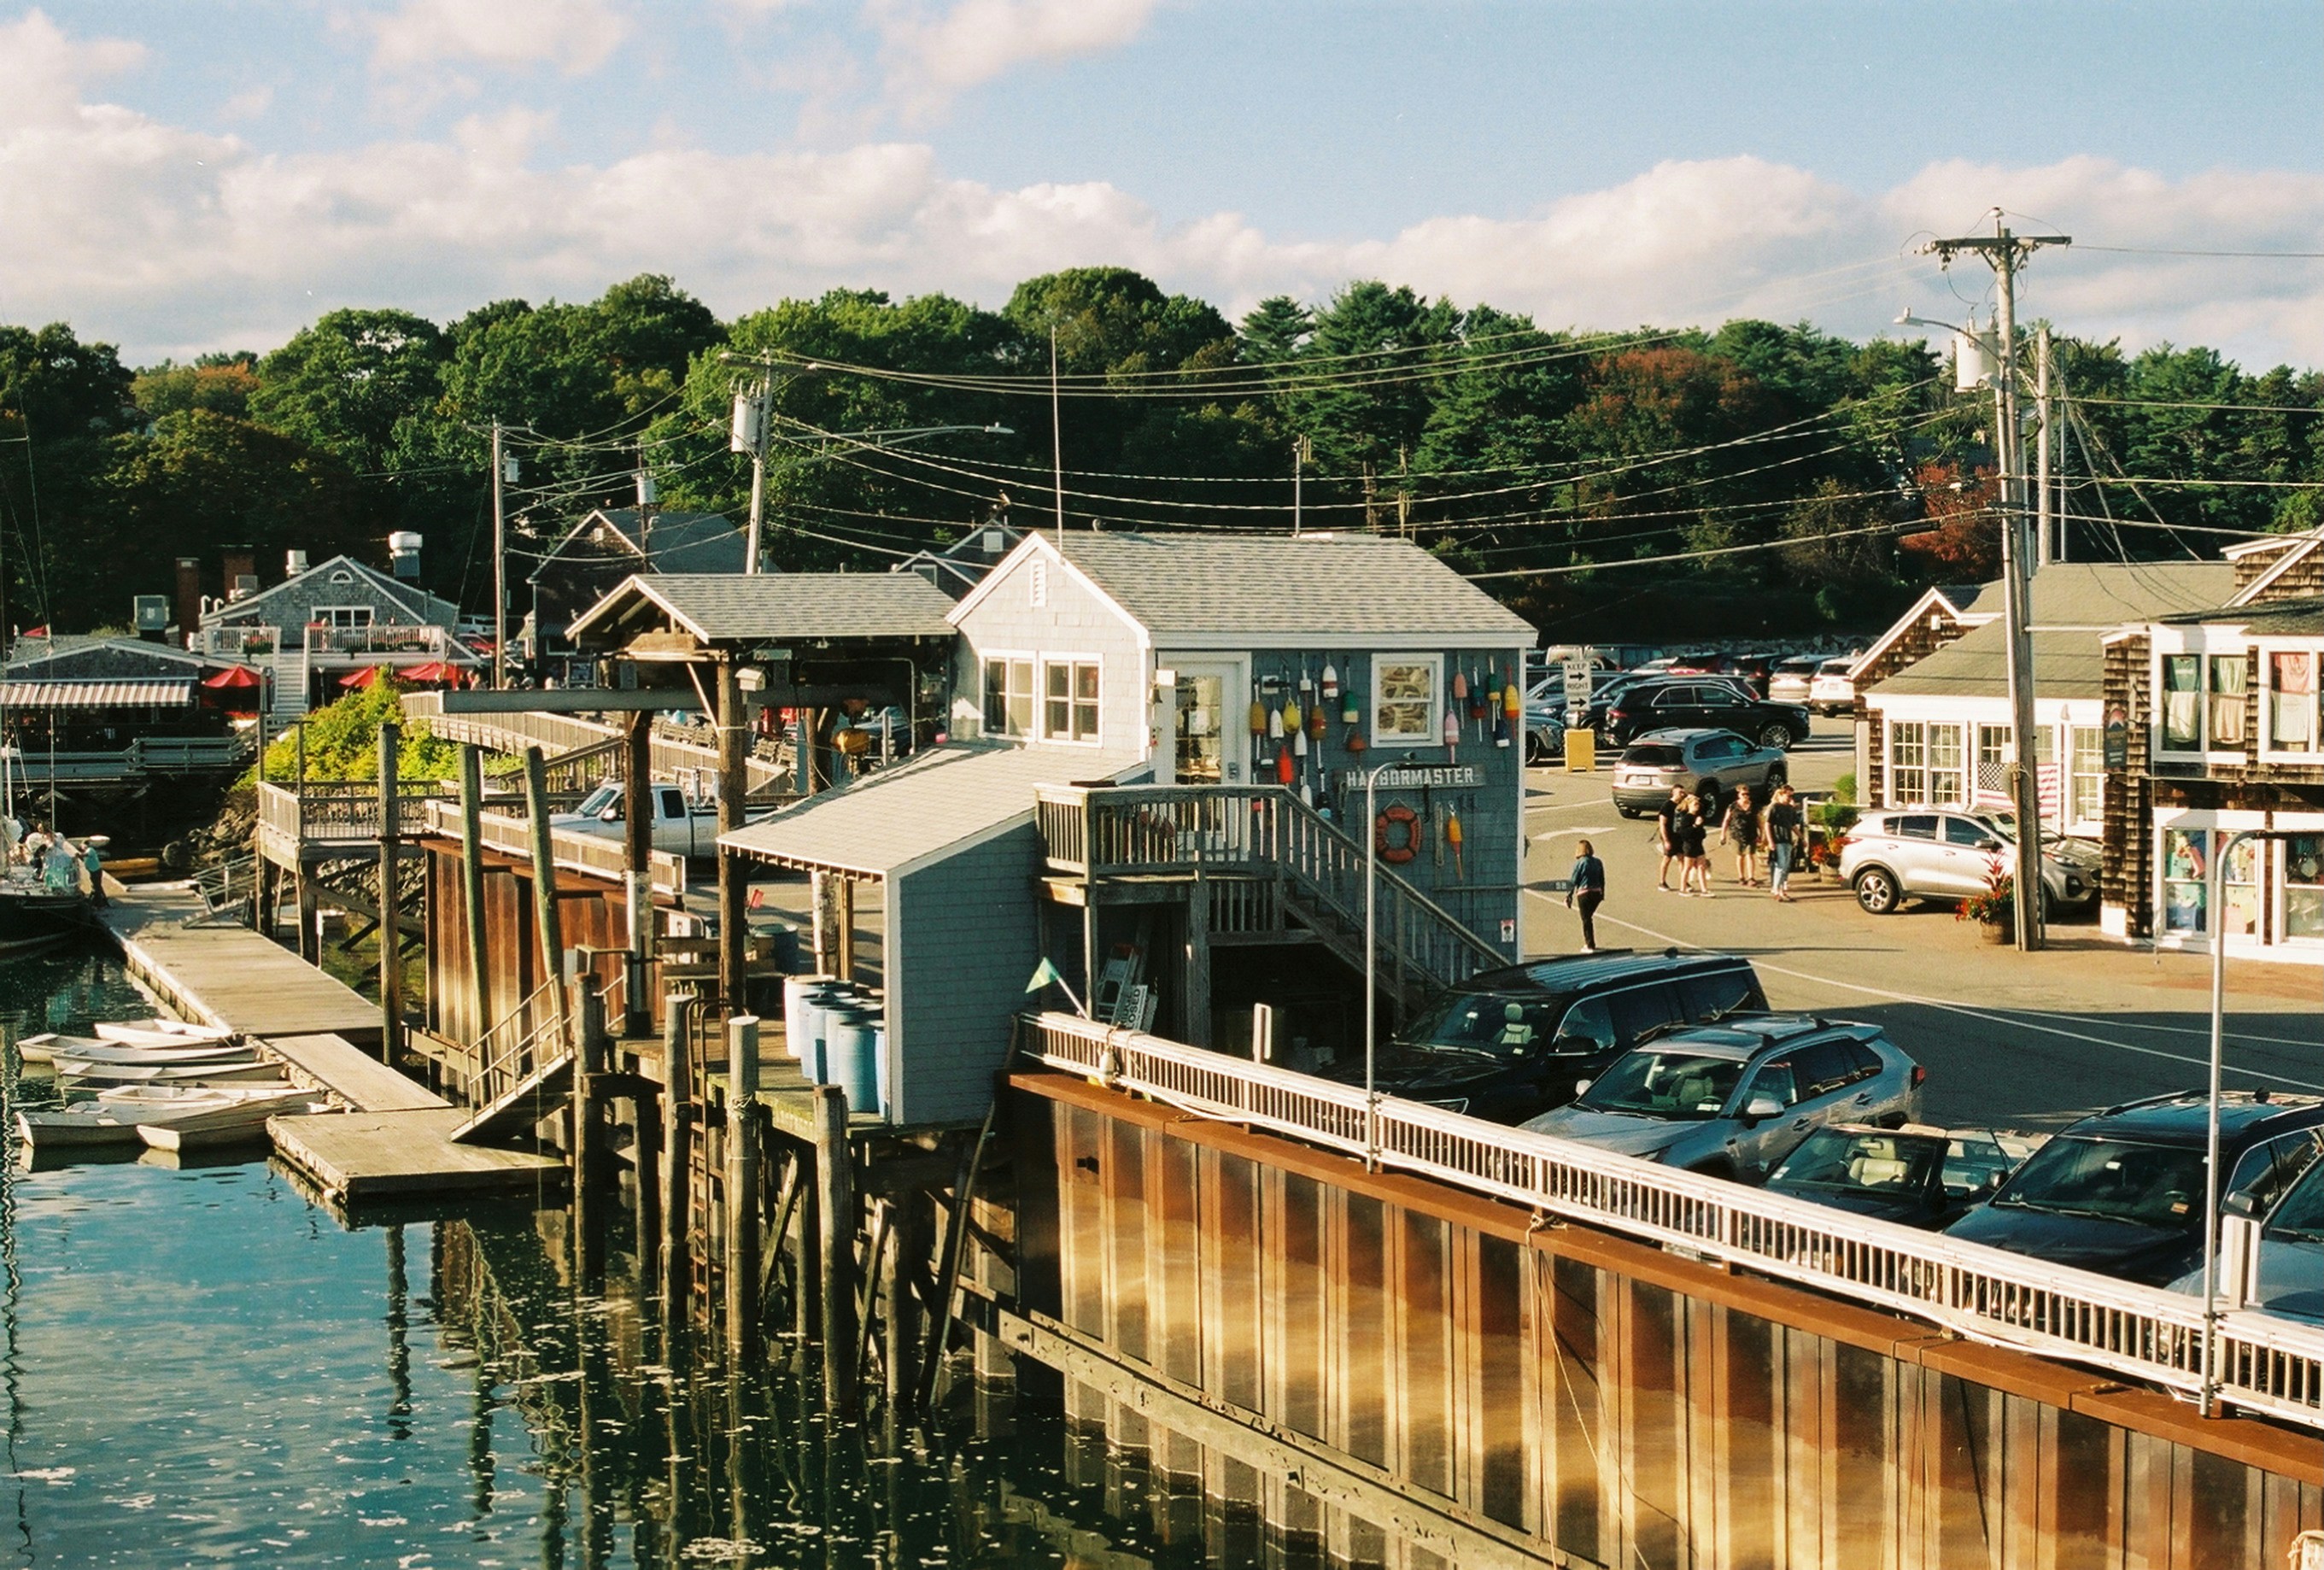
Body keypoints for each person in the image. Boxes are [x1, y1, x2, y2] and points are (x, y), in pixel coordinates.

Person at [1765, 785, 1805, 902]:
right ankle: (1776, 890)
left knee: (1786, 867)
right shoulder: (1774, 807)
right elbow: (1767, 825)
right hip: (1777, 839)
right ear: (1781, 794)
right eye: (1788, 795)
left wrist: (1802, 838)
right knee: (1780, 865)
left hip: (1787, 840)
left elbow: (1793, 826)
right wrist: (1770, 841)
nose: (1790, 798)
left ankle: (1782, 890)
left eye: (1792, 796)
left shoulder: (1790, 809)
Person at [1567, 839, 1607, 949]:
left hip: (1584, 893)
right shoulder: (1598, 862)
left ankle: (1590, 944)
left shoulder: (1580, 863)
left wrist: (1569, 895)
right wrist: (1602, 893)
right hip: (1596, 893)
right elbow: (1602, 879)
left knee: (1586, 920)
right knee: (1588, 917)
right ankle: (1590, 942)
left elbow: (1573, 880)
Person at [1723, 786, 1763, 888]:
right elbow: (1726, 820)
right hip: (1736, 834)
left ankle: (1751, 877)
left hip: (1751, 833)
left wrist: (1762, 834)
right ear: (1738, 795)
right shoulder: (1733, 806)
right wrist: (1723, 834)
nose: (1745, 796)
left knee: (1750, 855)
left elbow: (1759, 821)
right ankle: (1741, 877)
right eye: (1743, 794)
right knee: (1740, 855)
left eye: (1747, 794)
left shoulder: (1754, 806)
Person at [1674, 794, 1711, 896]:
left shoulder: (1698, 817)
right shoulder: (1687, 818)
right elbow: (1684, 833)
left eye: (1697, 804)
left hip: (1698, 844)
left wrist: (1701, 830)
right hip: (1689, 845)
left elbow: (1702, 832)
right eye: (1695, 804)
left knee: (1701, 867)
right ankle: (1683, 889)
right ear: (1689, 805)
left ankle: (1704, 890)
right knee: (1687, 867)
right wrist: (1696, 826)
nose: (1697, 806)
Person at [1654, 786, 1683, 891]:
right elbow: (1662, 824)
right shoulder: (1667, 806)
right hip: (1669, 836)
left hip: (1679, 836)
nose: (1682, 794)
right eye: (1680, 792)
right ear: (1673, 793)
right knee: (1667, 858)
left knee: (1682, 859)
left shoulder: (1682, 805)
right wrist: (1666, 840)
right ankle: (1662, 882)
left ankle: (1684, 882)